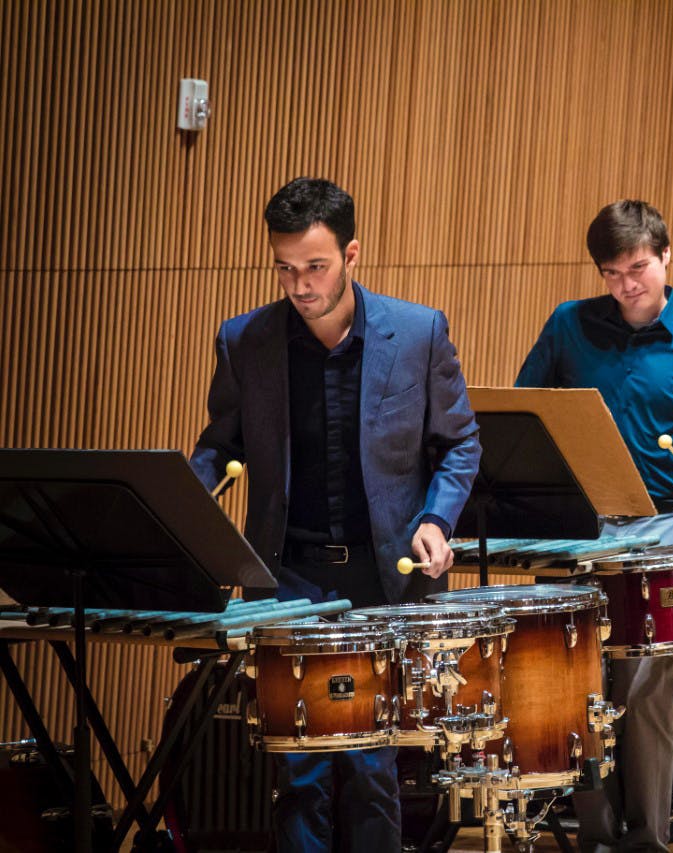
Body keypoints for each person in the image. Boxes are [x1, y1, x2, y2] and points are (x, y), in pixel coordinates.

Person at [190, 177, 481, 851]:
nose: (299, 284)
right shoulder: (246, 341)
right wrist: (184, 498)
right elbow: (219, 446)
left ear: (353, 255)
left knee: (376, 767)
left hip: (383, 576)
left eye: (315, 266)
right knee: (299, 767)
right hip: (288, 575)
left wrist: (437, 518)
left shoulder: (417, 333)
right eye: (285, 268)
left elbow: (459, 442)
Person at [516, 199, 673, 853]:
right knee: (578, 685)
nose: (627, 284)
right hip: (579, 531)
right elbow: (526, 408)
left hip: (663, 529)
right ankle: (593, 836)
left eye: (639, 267)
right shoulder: (569, 326)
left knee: (646, 690)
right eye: (612, 272)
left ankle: (647, 839)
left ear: (667, 256)